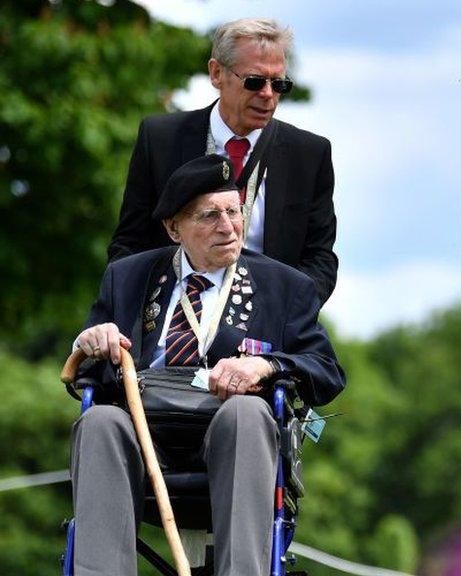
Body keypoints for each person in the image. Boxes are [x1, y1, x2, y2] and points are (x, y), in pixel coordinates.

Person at [70, 154, 345, 576]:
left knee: (248, 412)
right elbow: (85, 374)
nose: (228, 226)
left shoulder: (284, 286)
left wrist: (266, 366)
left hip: (231, 433)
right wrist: (90, 343)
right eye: (209, 215)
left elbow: (326, 371)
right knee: (100, 422)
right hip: (144, 432)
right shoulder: (127, 277)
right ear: (173, 228)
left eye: (234, 211)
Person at [107, 18, 338, 306]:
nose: (267, 94)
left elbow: (320, 259)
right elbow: (129, 243)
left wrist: (286, 317)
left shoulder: (309, 154)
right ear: (216, 73)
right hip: (173, 319)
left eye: (279, 84)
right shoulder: (160, 139)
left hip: (268, 324)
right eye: (255, 82)